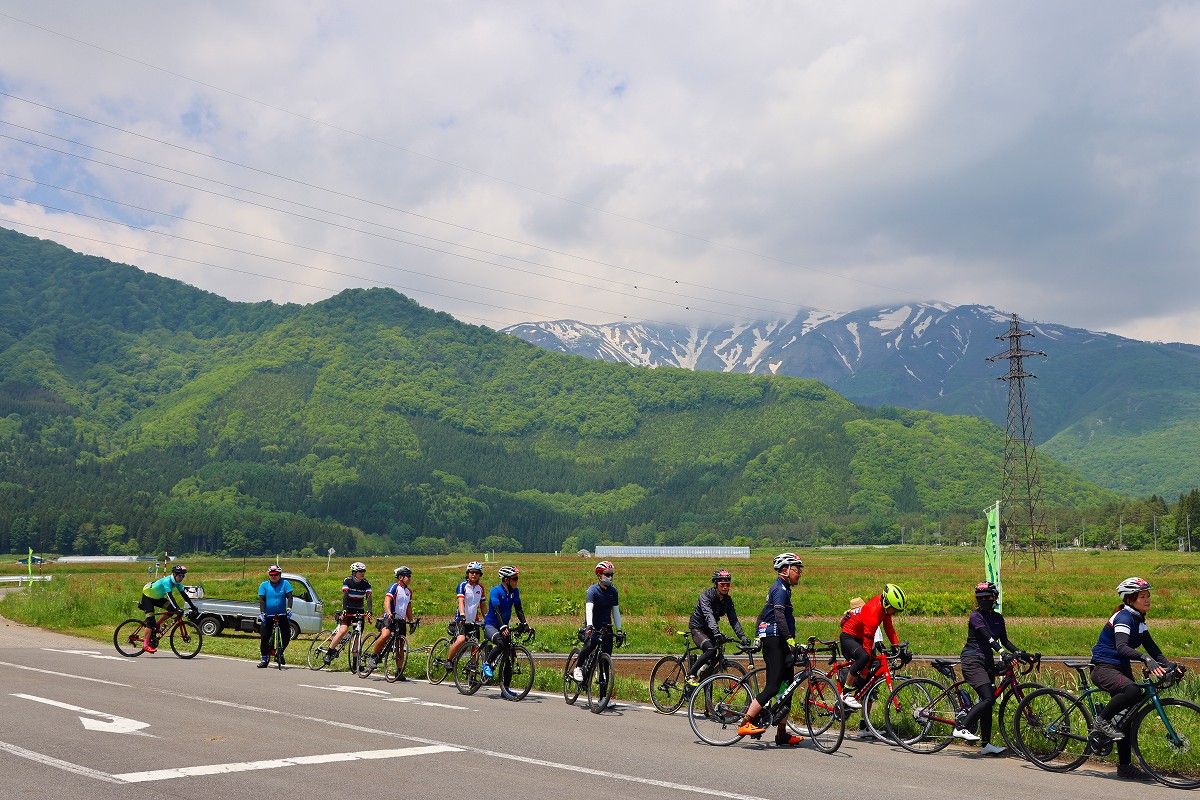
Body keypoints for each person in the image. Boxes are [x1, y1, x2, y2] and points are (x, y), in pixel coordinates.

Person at [1090, 577, 1178, 780]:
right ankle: (1101, 721)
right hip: (1104, 667)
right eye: (1142, 596)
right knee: (1132, 691)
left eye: (1148, 596)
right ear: (1130, 599)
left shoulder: (1139, 620)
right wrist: (1145, 659)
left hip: (1120, 667)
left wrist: (1168, 664)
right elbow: (1121, 647)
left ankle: (1124, 767)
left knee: (1126, 716)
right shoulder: (1123, 618)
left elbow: (1151, 647)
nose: (1147, 600)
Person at [737, 552, 805, 747]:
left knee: (788, 688)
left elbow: (761, 615)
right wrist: (790, 640)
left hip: (779, 640)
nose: (799, 573)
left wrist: (759, 633)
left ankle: (781, 733)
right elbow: (778, 616)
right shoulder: (780, 589)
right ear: (785, 570)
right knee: (774, 686)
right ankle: (746, 722)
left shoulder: (784, 588)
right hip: (775, 641)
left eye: (800, 569)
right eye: (796, 569)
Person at [953, 580, 1027, 751]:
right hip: (972, 661)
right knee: (988, 698)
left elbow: (1005, 641)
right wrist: (1002, 654)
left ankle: (986, 745)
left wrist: (1022, 653)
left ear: (995, 597)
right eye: (981, 597)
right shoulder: (975, 616)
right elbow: (988, 638)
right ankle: (961, 727)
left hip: (986, 661)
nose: (984, 600)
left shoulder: (998, 618)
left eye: (988, 596)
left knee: (988, 702)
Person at [840, 583, 905, 709]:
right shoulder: (873, 614)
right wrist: (864, 671)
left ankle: (864, 723)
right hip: (849, 637)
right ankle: (846, 692)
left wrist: (897, 647)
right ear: (886, 603)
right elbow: (867, 646)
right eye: (894, 610)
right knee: (864, 657)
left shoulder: (884, 609)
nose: (895, 613)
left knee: (868, 681)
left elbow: (889, 628)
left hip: (860, 637)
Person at [684, 568, 751, 688]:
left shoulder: (727, 600)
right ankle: (690, 674)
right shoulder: (706, 596)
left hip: (710, 629)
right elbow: (709, 615)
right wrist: (716, 632)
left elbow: (734, 620)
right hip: (698, 628)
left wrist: (742, 637)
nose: (725, 587)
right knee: (710, 649)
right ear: (715, 584)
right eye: (722, 584)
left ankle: (703, 675)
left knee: (714, 653)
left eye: (728, 584)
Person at [572, 561, 626, 707]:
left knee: (604, 664)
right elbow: (589, 608)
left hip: (607, 628)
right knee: (590, 644)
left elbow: (615, 611)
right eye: (607, 574)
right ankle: (578, 667)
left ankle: (603, 698)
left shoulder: (613, 592)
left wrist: (619, 630)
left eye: (611, 574)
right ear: (599, 575)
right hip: (593, 627)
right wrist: (589, 625)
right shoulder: (593, 590)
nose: (610, 577)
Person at [482, 565, 533, 694]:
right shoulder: (496, 591)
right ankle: (487, 663)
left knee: (510, 657)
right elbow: (496, 610)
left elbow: (519, 609)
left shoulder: (515, 592)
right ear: (506, 580)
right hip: (491, 625)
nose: (517, 581)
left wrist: (525, 624)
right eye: (514, 578)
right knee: (502, 642)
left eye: (517, 578)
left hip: (503, 626)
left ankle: (505, 689)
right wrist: (503, 626)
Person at [364, 566, 415, 677]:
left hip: (401, 620)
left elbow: (409, 608)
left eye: (410, 576)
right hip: (390, 617)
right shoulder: (394, 587)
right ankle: (374, 655)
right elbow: (387, 600)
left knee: (400, 645)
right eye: (408, 576)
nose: (410, 578)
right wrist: (389, 613)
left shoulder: (408, 591)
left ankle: (399, 671)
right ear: (400, 577)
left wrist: (411, 621)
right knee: (385, 635)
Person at [140, 564, 199, 653]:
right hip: (148, 597)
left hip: (157, 598)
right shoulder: (167, 581)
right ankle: (145, 645)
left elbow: (184, 595)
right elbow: (170, 597)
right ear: (175, 574)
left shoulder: (177, 583)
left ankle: (158, 624)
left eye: (183, 576)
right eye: (180, 576)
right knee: (150, 622)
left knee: (172, 610)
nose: (182, 578)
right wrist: (177, 608)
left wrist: (193, 607)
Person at [323, 562, 372, 666]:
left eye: (364, 571)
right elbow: (345, 595)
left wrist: (370, 610)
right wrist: (344, 609)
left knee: (357, 636)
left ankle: (355, 663)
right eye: (360, 572)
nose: (363, 573)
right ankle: (329, 652)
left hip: (359, 610)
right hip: (348, 609)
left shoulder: (366, 583)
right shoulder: (348, 581)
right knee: (343, 631)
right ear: (354, 573)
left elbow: (368, 597)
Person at [446, 561, 486, 665]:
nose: (474, 575)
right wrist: (462, 615)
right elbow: (461, 601)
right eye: (472, 572)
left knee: (475, 646)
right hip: (461, 619)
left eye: (477, 573)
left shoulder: (480, 588)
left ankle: (472, 674)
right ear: (468, 573)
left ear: (480, 575)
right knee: (461, 640)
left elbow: (482, 605)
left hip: (474, 621)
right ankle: (449, 660)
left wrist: (486, 618)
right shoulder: (463, 585)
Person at [256, 565, 293, 668]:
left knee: (286, 635)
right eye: (271, 575)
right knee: (264, 637)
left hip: (282, 614)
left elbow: (290, 597)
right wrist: (262, 612)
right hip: (269, 615)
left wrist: (289, 608)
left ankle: (280, 652)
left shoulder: (285, 584)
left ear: (280, 575)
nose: (273, 577)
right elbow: (262, 600)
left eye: (276, 575)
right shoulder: (264, 585)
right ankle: (264, 658)